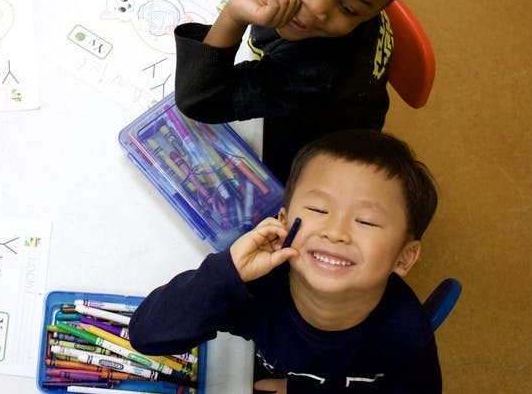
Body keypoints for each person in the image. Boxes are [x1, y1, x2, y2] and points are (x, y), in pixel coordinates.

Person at [129, 129, 441, 392]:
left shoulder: (405, 334)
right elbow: (147, 335)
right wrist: (228, 272)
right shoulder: (259, 287)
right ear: (283, 220)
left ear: (404, 257)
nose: (335, 232)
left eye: (367, 221)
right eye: (319, 210)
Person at [163, 0, 428, 181]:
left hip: (321, 153)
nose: (316, 7)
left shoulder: (316, 71)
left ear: (377, 9)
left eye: (350, 8)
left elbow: (200, 100)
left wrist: (233, 17)